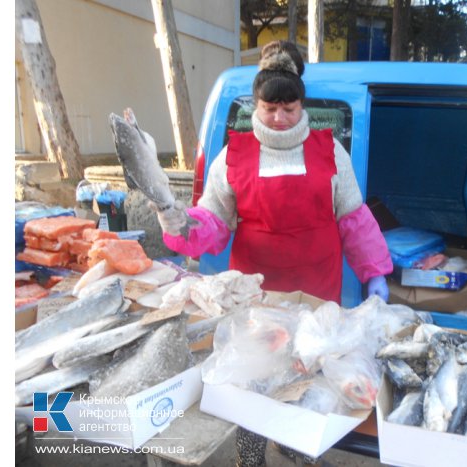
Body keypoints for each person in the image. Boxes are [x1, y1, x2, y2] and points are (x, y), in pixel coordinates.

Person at [155, 40, 393, 467]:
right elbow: (212, 221)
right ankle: (251, 457)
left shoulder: (330, 152)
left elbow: (354, 219)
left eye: (289, 108)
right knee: (255, 380)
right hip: (258, 293)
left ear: (302, 106)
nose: (280, 119)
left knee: (310, 375)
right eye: (270, 108)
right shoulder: (232, 156)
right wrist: (182, 225)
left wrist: (374, 271)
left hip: (317, 290)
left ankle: (298, 447)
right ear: (256, 107)